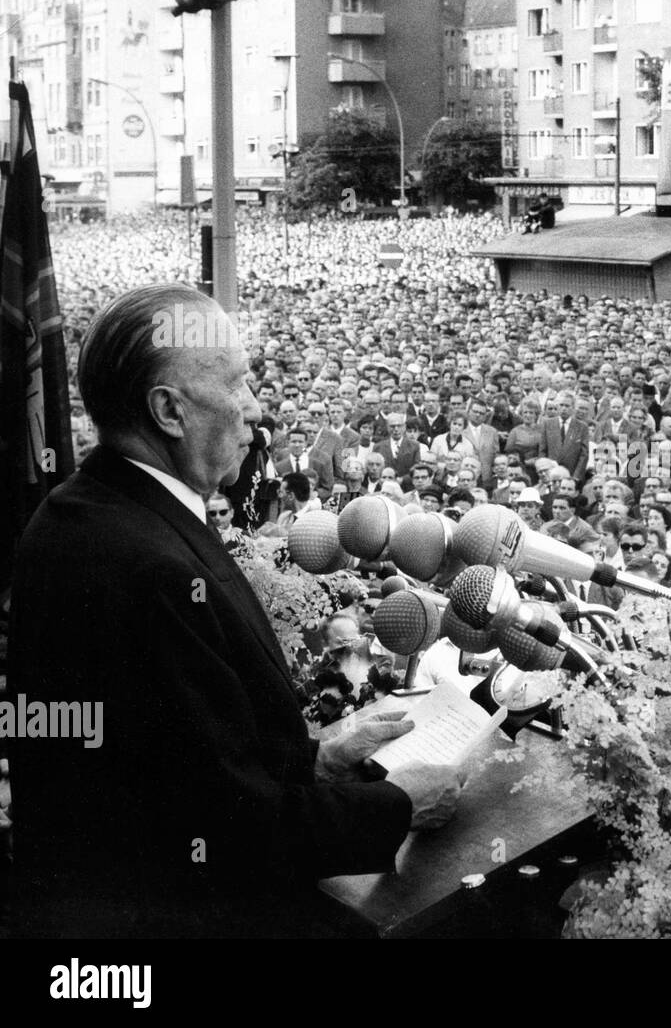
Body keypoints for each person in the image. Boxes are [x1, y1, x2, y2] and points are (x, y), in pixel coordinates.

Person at [9, 285, 461, 938]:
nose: (256, 410)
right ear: (169, 410)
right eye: (239, 383)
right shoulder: (154, 567)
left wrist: (323, 756)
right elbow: (227, 829)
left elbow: (174, 764)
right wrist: (398, 804)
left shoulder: (78, 512)